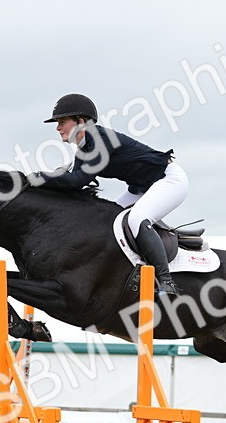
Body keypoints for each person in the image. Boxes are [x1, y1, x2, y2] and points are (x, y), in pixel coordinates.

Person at [33, 94, 185, 296]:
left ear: (80, 122)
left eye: (62, 122)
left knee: (138, 219)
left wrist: (42, 178)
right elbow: (73, 186)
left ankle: (166, 281)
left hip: (170, 180)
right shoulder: (83, 149)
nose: (58, 128)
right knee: (109, 220)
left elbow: (79, 180)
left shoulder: (101, 140)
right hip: (141, 188)